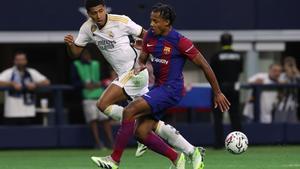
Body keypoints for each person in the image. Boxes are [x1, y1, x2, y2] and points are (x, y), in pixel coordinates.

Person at [64, 0, 205, 168]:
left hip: (134, 70)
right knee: (149, 124)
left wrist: (145, 50)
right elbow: (74, 53)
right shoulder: (87, 28)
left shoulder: (121, 21)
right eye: (94, 13)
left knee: (103, 103)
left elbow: (147, 35)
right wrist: (70, 45)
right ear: (88, 13)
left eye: (101, 11)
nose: (98, 15)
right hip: (125, 75)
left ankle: (114, 159)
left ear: (104, 9)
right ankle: (184, 154)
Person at [90, 3, 230, 169]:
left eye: (156, 21)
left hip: (172, 90)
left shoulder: (181, 42)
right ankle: (179, 157)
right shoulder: (149, 36)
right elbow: (142, 58)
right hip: (158, 88)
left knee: (129, 111)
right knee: (140, 133)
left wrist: (217, 92)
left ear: (167, 23)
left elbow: (205, 66)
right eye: (151, 20)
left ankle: (114, 160)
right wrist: (139, 65)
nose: (152, 24)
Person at [71, 47, 113, 148]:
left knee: (105, 119)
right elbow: (74, 82)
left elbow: (105, 78)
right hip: (87, 97)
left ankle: (111, 142)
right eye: (83, 54)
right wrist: (83, 85)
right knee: (92, 120)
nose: (86, 56)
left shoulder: (96, 64)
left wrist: (100, 84)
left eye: (87, 54)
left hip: (100, 96)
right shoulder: (76, 65)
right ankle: (98, 143)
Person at [210, 33, 243, 149]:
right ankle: (239, 142)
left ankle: (219, 144)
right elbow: (240, 71)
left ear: (221, 42)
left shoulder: (216, 56)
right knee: (235, 115)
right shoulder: (238, 56)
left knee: (218, 117)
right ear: (231, 42)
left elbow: (211, 73)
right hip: (234, 88)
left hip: (220, 90)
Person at [0, 51, 50, 125]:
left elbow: (47, 82)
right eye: (18, 60)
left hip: (28, 112)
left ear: (26, 61)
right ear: (14, 61)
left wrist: (35, 84)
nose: (20, 62)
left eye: (22, 59)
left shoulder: (31, 72)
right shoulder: (9, 72)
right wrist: (11, 84)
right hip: (12, 113)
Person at [273, 56, 300, 123]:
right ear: (284, 66)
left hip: (293, 107)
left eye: (291, 65)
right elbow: (281, 82)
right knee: (279, 127)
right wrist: (288, 70)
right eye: (288, 65)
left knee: (292, 128)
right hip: (281, 107)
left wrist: (295, 68)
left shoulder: (296, 76)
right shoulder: (281, 75)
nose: (290, 67)